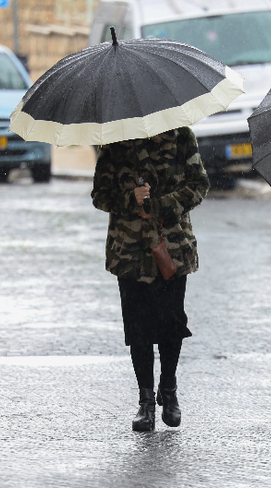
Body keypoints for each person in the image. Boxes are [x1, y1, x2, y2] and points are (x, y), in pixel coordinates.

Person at [91, 127, 209, 432]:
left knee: (172, 323)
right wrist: (131, 199)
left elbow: (199, 184)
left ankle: (168, 389)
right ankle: (145, 401)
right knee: (138, 327)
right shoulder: (115, 141)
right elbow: (100, 195)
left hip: (172, 246)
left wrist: (159, 205)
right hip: (129, 250)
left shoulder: (181, 136)